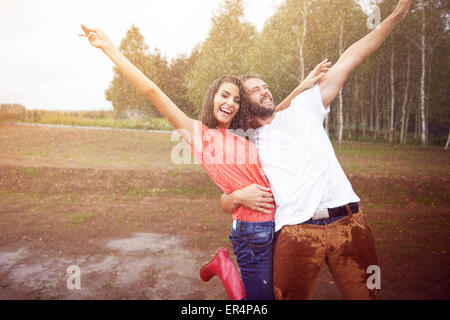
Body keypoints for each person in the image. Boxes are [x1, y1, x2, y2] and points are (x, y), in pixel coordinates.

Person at [80, 24, 329, 300]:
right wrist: (109, 48)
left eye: (236, 99)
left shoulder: (242, 134)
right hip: (252, 233)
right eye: (224, 95)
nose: (230, 103)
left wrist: (303, 85)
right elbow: (151, 91)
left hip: (280, 225)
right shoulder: (197, 134)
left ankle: (223, 266)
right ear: (212, 97)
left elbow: (275, 113)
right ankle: (224, 268)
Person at [220, 0, 412, 299]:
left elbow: (351, 57)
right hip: (295, 233)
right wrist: (235, 196)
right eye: (256, 90)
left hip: (348, 221)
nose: (265, 90)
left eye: (266, 86)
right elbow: (224, 197)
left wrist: (397, 15)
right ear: (244, 104)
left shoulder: (305, 106)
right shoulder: (246, 142)